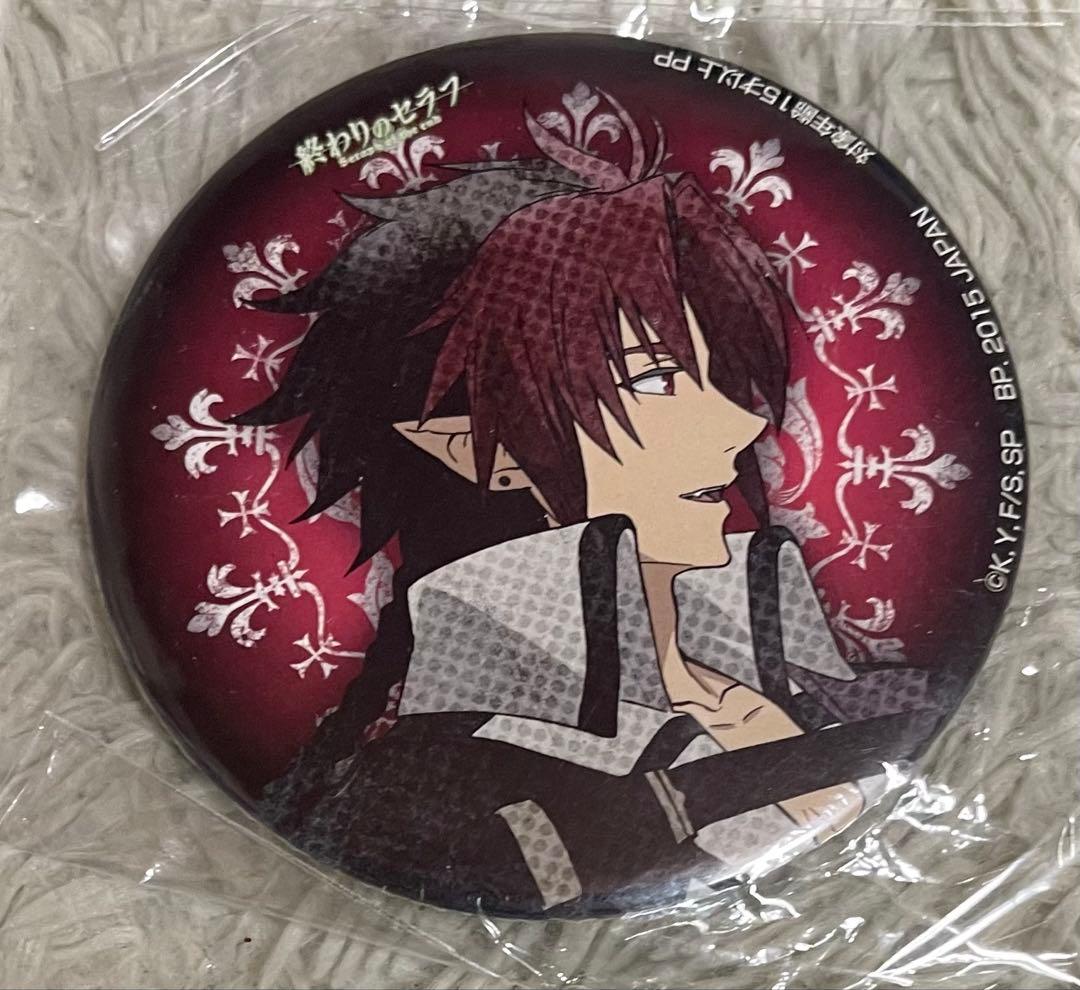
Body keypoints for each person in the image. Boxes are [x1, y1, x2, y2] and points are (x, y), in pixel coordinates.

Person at [237, 91, 945, 916]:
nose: (741, 424)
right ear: (476, 447)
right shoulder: (437, 800)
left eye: (717, 374)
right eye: (654, 380)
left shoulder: (839, 688)